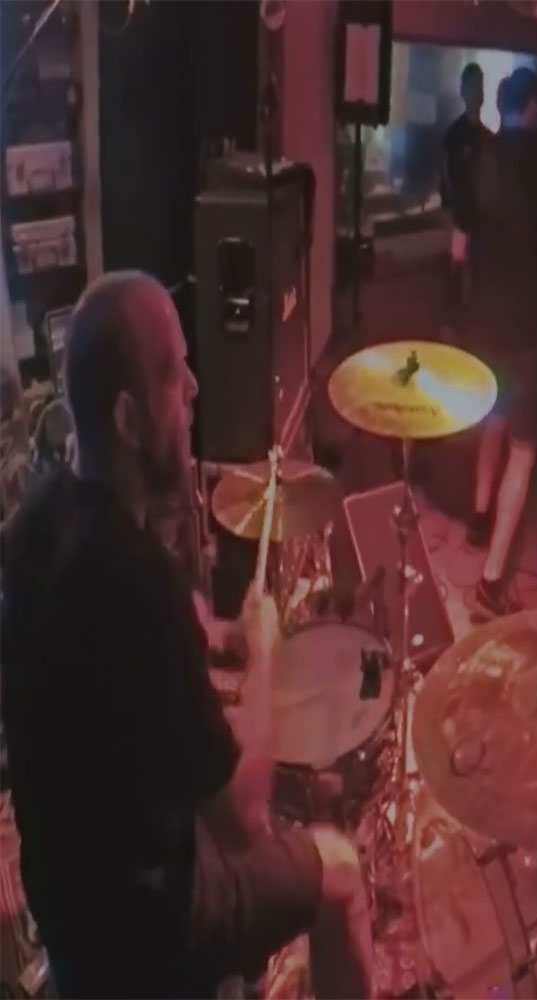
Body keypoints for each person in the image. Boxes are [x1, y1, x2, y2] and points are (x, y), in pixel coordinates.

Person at [0, 272, 373, 998]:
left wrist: (211, 631)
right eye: (175, 375)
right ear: (129, 419)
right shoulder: (139, 582)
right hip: (145, 930)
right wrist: (264, 652)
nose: (195, 389)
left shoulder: (37, 523)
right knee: (340, 870)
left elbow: (113, 654)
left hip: (69, 902)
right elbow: (243, 816)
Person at [455, 66, 537, 617]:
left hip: (485, 324)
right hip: (530, 330)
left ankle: (478, 518)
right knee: (523, 453)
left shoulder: (478, 157)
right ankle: (491, 584)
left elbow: (458, 248)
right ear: (533, 107)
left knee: (493, 420)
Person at [441, 63, 489, 249]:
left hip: (484, 226)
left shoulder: (488, 137)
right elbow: (445, 180)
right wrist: (451, 224)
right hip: (459, 225)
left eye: (480, 86)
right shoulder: (453, 136)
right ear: (463, 91)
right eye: (472, 86)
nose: (477, 92)